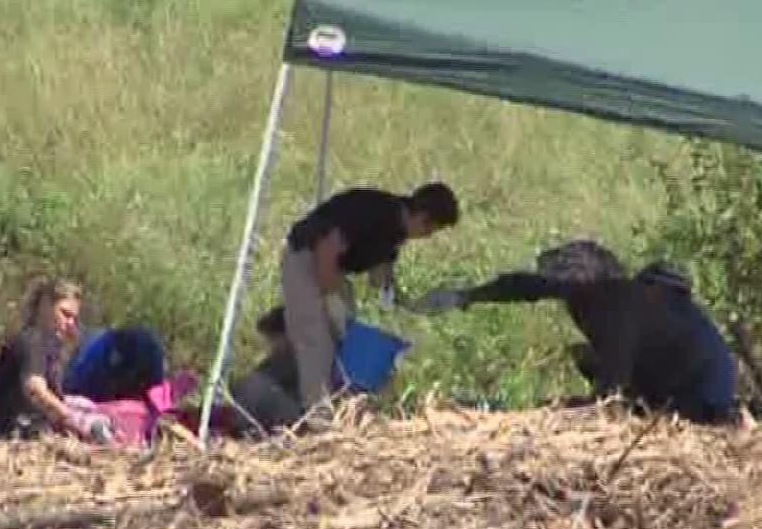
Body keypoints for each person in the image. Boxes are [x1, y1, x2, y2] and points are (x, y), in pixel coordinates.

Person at [415, 242, 738, 425]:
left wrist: (543, 418)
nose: (566, 293)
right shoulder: (594, 292)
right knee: (584, 357)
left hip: (698, 403)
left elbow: (608, 391)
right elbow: (525, 285)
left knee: (590, 371)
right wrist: (465, 296)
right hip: (672, 381)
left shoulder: (620, 309)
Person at [280, 182, 460, 411]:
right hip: (308, 260)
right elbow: (327, 247)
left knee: (341, 338)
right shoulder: (378, 214)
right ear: (423, 218)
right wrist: (325, 296)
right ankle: (318, 418)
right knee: (317, 341)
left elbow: (381, 277)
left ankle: (336, 404)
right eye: (430, 231)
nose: (426, 237)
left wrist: (407, 305)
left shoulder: (395, 231)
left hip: (334, 271)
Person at [0, 278, 97, 440]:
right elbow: (35, 389)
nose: (70, 323)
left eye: (74, 318)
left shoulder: (50, 345)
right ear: (45, 305)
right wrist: (74, 418)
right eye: (65, 314)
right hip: (9, 435)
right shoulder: (32, 340)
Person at [226, 306, 306, 435]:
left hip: (289, 419)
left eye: (272, 338)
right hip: (277, 416)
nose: (270, 344)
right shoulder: (278, 359)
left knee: (254, 385)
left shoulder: (293, 358)